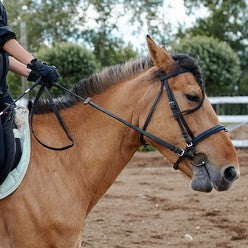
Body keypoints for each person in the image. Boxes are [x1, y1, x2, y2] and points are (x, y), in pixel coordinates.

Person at [0, 2, 59, 168]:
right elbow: (2, 37)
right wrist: (34, 63)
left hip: (2, 93)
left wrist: (31, 73)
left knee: (23, 141)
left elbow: (2, 54)